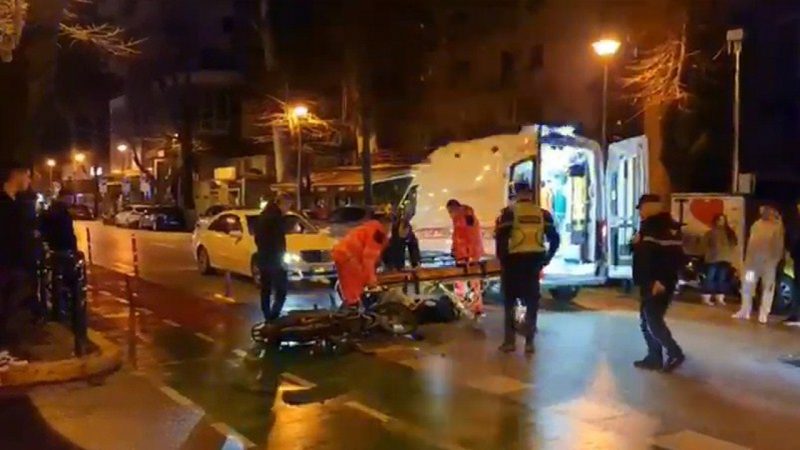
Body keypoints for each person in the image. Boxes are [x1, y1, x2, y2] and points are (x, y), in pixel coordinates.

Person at [494, 183, 560, 354]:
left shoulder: (509, 213)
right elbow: (555, 239)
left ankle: (509, 342)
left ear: (516, 194)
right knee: (532, 302)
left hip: (513, 262)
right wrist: (546, 259)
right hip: (534, 261)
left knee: (510, 302)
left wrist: (503, 260)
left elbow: (501, 240)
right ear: (530, 195)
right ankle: (529, 343)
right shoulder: (542, 214)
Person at [632, 194, 685, 373]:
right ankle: (654, 357)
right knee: (646, 320)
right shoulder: (649, 226)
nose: (640, 212)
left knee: (652, 320)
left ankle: (674, 352)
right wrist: (634, 244)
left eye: (641, 208)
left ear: (651, 207)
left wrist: (660, 280)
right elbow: (645, 253)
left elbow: (671, 258)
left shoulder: (662, 228)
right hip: (648, 281)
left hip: (659, 282)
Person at [0, 161, 33, 371]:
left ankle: (4, 353)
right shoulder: (5, 205)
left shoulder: (13, 202)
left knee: (8, 310)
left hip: (13, 266)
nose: (29, 180)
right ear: (17, 175)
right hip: (6, 266)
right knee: (5, 309)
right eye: (27, 175)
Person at [733, 205, 785, 324]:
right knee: (747, 285)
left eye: (766, 210)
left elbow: (778, 245)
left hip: (768, 264)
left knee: (767, 287)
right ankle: (745, 309)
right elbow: (750, 242)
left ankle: (764, 312)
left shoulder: (777, 226)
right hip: (752, 264)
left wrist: (774, 260)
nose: (763, 212)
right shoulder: (756, 224)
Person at [332, 214, 392, 307]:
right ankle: (353, 308)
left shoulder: (370, 228)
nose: (389, 230)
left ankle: (351, 306)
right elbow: (369, 259)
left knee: (350, 286)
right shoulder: (378, 233)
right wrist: (372, 281)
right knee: (355, 286)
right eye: (389, 226)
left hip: (342, 253)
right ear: (385, 224)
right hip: (348, 256)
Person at [254, 193, 293, 321]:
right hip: (275, 260)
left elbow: (257, 238)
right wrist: (281, 260)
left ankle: (267, 315)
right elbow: (278, 242)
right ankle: (273, 316)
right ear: (282, 203)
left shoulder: (264, 215)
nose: (288, 209)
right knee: (281, 289)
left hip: (263, 257)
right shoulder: (276, 218)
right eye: (288, 206)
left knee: (266, 289)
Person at [446, 199, 485, 316]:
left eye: (450, 211)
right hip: (473, 253)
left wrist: (458, 252)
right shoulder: (468, 214)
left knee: (460, 280)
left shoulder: (460, 217)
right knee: (474, 281)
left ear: (454, 208)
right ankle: (476, 306)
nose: (450, 215)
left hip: (465, 255)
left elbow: (462, 237)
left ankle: (461, 304)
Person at [700, 213, 737, 306]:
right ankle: (706, 297)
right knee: (710, 278)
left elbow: (734, 244)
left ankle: (719, 298)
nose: (721, 222)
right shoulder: (710, 232)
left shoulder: (729, 233)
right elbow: (703, 244)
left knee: (721, 278)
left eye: (723, 220)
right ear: (715, 221)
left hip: (725, 259)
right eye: (719, 220)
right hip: (713, 259)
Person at [784, 200, 800, 326]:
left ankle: (797, 316)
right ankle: (795, 315)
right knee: (796, 286)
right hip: (797, 258)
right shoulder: (795, 224)